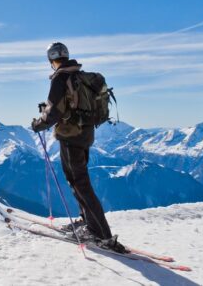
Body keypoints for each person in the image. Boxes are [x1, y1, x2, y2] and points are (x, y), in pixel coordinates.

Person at [31, 41, 127, 254]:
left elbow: (54, 113)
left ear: (51, 60)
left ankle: (102, 235)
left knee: (80, 183)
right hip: (85, 135)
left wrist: (39, 123)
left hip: (70, 136)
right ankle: (88, 222)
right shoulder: (82, 77)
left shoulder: (60, 79)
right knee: (78, 180)